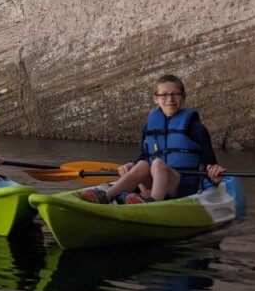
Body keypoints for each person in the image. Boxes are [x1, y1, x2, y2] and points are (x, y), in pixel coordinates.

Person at [81, 74, 226, 204]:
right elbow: (143, 157)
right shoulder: (148, 127)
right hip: (153, 182)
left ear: (183, 97)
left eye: (175, 94)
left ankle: (153, 202)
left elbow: (210, 163)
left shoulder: (196, 129)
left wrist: (213, 173)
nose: (170, 99)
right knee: (143, 164)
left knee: (157, 164)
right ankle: (107, 196)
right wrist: (130, 165)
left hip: (183, 185)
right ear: (156, 99)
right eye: (164, 95)